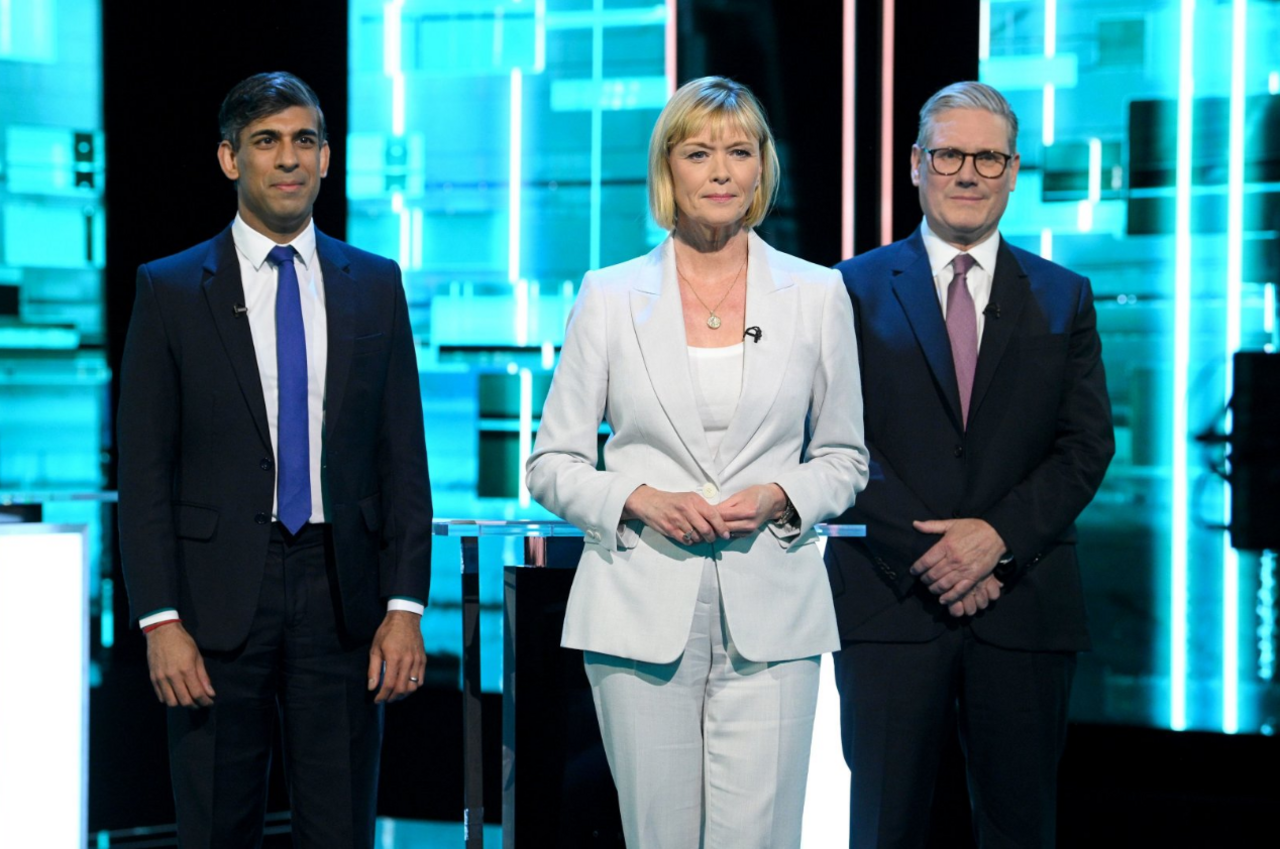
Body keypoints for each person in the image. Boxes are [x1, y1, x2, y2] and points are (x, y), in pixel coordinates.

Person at [527, 76, 869, 849]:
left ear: (760, 171)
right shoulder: (609, 297)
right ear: (668, 170)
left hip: (773, 609)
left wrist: (782, 492)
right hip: (638, 603)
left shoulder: (818, 295)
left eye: (739, 152)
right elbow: (552, 463)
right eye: (699, 151)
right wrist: (639, 497)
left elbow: (847, 458)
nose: (720, 170)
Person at [117, 71, 433, 848]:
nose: (288, 158)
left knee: (339, 828)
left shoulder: (376, 285)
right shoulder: (168, 289)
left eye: (304, 141)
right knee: (217, 827)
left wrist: (405, 607)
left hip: (344, 596)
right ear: (230, 159)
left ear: (327, 157)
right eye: (266, 141)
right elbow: (145, 472)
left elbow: (404, 460)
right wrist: (159, 619)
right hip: (215, 602)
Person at [825, 81, 1115, 848]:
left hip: (1024, 605)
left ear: (1014, 171)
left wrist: (997, 538)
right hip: (887, 602)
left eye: (987, 157)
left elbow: (1086, 444)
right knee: (882, 828)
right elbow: (832, 438)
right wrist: (935, 551)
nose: (968, 172)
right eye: (950, 153)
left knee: (1021, 831)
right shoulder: (846, 290)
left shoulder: (1063, 295)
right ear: (916, 164)